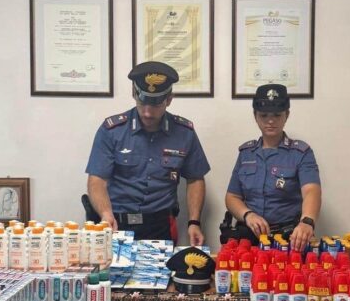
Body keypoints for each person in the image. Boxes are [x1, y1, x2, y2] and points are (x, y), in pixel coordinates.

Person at [85, 61, 210, 245]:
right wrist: (105, 213)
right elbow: (97, 180)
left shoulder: (184, 133)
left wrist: (194, 222)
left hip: (161, 226)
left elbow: (195, 179)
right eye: (142, 103)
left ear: (169, 99)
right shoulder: (112, 131)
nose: (148, 113)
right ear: (134, 94)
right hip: (116, 223)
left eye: (156, 105)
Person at [224, 83, 322, 252]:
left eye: (277, 115)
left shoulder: (301, 153)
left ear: (287, 115)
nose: (270, 121)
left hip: (288, 238)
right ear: (255, 116)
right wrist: (248, 215)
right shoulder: (246, 153)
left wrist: (307, 222)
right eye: (264, 115)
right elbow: (232, 197)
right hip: (249, 237)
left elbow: (311, 191)